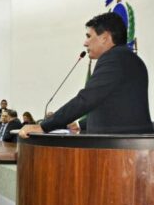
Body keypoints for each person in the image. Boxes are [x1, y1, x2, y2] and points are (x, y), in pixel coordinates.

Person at [20, 12, 152, 138]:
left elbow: (86, 99)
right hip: (127, 146)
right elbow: (115, 108)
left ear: (105, 37)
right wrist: (79, 124)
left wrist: (44, 126)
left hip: (121, 151)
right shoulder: (126, 58)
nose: (85, 43)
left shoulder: (114, 59)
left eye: (89, 36)